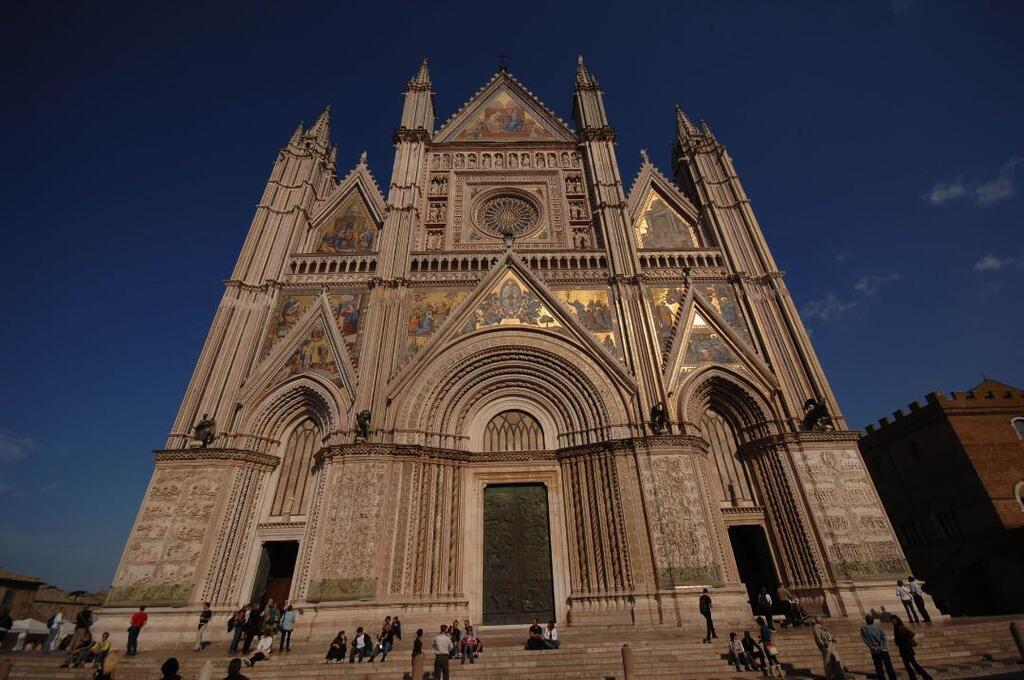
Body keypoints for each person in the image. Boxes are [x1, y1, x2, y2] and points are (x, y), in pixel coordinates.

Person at [893, 616, 933, 680]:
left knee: (914, 664)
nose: (893, 622)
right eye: (892, 620)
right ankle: (914, 678)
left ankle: (926, 677)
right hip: (903, 649)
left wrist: (906, 639)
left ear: (897, 620)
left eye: (894, 620)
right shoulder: (895, 628)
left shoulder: (901, 627)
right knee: (908, 665)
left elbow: (912, 633)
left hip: (907, 648)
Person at [860, 615, 896, 680]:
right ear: (873, 621)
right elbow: (883, 638)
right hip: (883, 649)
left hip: (874, 650)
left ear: (866, 621)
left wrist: (872, 646)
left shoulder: (864, 629)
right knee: (889, 666)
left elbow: (865, 639)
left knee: (879, 668)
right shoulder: (878, 628)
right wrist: (881, 647)